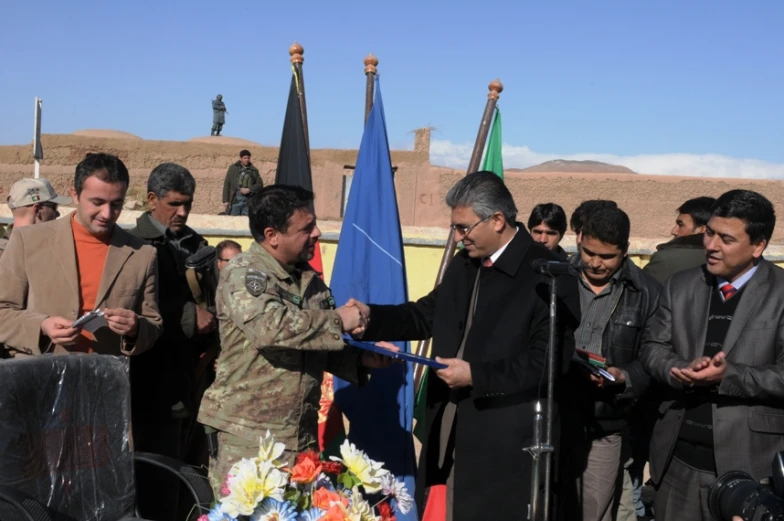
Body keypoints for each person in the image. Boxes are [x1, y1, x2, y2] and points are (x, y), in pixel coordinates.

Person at [347, 171, 580, 521]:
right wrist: (370, 317)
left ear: (498, 220)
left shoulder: (547, 274)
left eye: (463, 227)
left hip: (506, 441)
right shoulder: (465, 263)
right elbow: (427, 314)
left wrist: (477, 376)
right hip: (452, 423)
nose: (457, 237)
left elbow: (549, 362)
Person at [197, 184, 397, 496]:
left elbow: (312, 345)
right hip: (248, 438)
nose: (317, 233)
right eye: (306, 228)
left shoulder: (310, 281)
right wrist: (339, 320)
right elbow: (271, 328)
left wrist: (361, 359)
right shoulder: (244, 273)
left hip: (299, 435)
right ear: (272, 235)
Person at [640, 189, 784, 521]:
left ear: (758, 246)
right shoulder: (681, 285)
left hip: (750, 473)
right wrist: (679, 368)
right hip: (677, 466)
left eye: (726, 239)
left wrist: (728, 376)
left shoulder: (780, 293)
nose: (711, 245)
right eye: (709, 233)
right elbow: (652, 349)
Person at [0, 153, 162, 357]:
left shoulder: (142, 254)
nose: (107, 213)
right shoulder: (27, 241)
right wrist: (42, 326)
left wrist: (135, 328)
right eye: (97, 202)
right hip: (39, 379)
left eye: (116, 204)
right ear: (75, 195)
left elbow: (153, 325)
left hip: (104, 382)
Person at [560, 205, 661, 521]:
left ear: (626, 251)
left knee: (594, 509)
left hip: (607, 422)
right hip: (553, 412)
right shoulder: (557, 278)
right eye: (588, 252)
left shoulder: (647, 293)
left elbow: (654, 360)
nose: (594, 262)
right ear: (578, 239)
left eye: (607, 257)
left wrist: (623, 377)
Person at [128, 162, 216, 518]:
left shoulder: (196, 244)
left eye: (188, 204)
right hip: (154, 381)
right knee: (158, 479)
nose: (182, 212)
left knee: (195, 476)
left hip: (196, 378)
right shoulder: (132, 246)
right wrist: (188, 317)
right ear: (152, 199)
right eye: (175, 204)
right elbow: (130, 304)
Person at [643, 196, 716, 284]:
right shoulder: (727, 259)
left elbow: (642, 293)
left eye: (681, 225)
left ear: (702, 229)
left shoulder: (665, 259)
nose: (674, 231)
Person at [0, 178, 70, 257]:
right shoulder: (43, 256)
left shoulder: (6, 252)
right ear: (37, 210)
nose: (57, 214)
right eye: (53, 207)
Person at [222, 150, 262, 216]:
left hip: (248, 202)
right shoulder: (233, 168)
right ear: (240, 158)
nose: (247, 160)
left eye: (248, 158)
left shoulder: (254, 170)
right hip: (235, 201)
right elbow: (227, 183)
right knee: (233, 221)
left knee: (245, 222)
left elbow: (260, 185)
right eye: (245, 158)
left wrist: (249, 189)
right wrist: (225, 200)